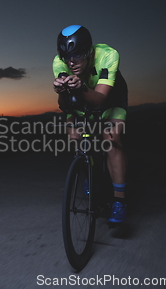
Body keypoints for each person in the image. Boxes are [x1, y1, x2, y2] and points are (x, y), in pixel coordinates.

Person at [52, 25, 128, 223]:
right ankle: (90, 171)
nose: (71, 62)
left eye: (77, 55)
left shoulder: (108, 55)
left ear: (88, 50)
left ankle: (119, 202)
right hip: (81, 97)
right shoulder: (59, 63)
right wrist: (62, 96)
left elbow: (101, 100)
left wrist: (83, 87)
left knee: (111, 139)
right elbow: (64, 105)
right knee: (78, 137)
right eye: (66, 56)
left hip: (111, 99)